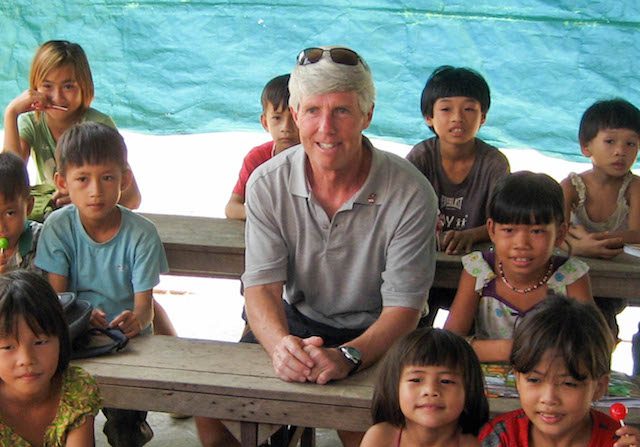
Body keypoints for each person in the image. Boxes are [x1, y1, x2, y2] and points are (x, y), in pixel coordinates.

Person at [196, 46, 438, 447]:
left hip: (379, 329)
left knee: (372, 434)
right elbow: (261, 288)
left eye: (342, 111)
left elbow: (404, 309)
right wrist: (280, 347)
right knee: (213, 410)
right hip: (298, 321)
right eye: (312, 111)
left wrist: (349, 356)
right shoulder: (267, 183)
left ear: (367, 115)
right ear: (294, 115)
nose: (326, 127)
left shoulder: (411, 192)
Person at [34, 122, 168, 446]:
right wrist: (79, 315)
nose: (96, 190)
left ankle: (129, 428)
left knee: (125, 427)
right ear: (62, 182)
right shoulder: (58, 227)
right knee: (64, 411)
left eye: (108, 178)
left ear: (125, 178)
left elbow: (145, 309)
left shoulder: (142, 234)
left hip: (128, 343)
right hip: (77, 339)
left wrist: (135, 320)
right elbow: (57, 299)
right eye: (83, 179)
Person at [444, 171, 593, 363]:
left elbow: (590, 345)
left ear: (560, 234)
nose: (521, 243)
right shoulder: (479, 270)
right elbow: (449, 344)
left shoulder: (571, 277)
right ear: (491, 230)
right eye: (509, 230)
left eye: (536, 231)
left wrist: (481, 349)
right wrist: (517, 349)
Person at [479, 295, 640, 446]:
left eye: (568, 384)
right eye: (534, 380)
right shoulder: (502, 437)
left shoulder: (617, 441)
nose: (549, 398)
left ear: (599, 387)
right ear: (517, 380)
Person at [3, 39, 141, 210]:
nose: (58, 97)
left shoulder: (99, 127)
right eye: (47, 86)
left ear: (84, 87)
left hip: (91, 217)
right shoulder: (32, 123)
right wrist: (11, 114)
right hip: (50, 217)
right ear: (34, 88)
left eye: (68, 86)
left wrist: (83, 197)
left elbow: (132, 199)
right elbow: (7, 183)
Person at [406, 65, 510, 256]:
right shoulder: (420, 158)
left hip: (479, 259)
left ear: (483, 117)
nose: (457, 118)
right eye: (446, 109)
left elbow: (507, 222)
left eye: (469, 109)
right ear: (429, 117)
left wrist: (472, 235)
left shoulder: (494, 163)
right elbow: (400, 213)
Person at [0, 269, 101, 445]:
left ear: (61, 338)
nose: (27, 359)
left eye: (40, 342)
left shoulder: (75, 390)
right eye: (8, 347)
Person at [361, 327, 489, 447]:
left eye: (446, 381)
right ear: (394, 388)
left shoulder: (471, 444)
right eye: (415, 380)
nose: (431, 390)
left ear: (469, 390)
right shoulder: (381, 438)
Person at [561, 98, 640, 259]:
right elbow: (553, 231)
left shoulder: (634, 188)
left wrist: (596, 240)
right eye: (610, 141)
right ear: (585, 147)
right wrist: (577, 247)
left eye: (630, 144)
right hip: (576, 263)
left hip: (621, 268)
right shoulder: (571, 187)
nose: (620, 151)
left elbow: (637, 234)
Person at [225, 73, 300, 220]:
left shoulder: (319, 158)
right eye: (277, 118)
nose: (286, 127)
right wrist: (265, 217)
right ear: (265, 122)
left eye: (294, 118)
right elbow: (232, 208)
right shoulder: (257, 158)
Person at [0, 152, 42, 274]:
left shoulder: (42, 240)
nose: (2, 227)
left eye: (10, 213)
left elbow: (41, 290)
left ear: (28, 206)